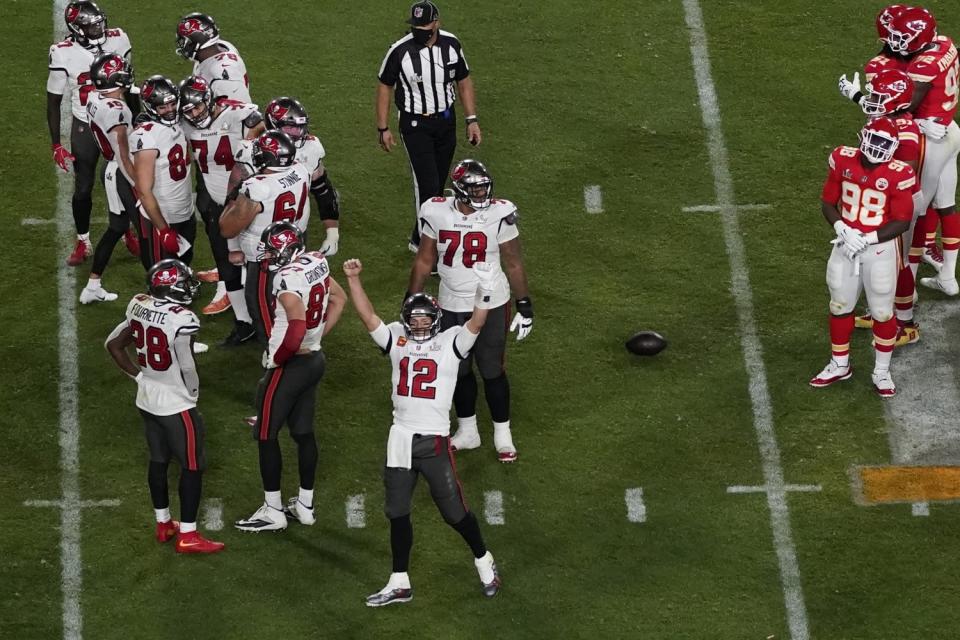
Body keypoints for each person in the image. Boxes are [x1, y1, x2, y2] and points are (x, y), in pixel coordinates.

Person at [343, 258, 501, 606]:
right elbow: (369, 318)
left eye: (424, 319)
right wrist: (354, 280)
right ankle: (400, 582)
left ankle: (483, 560)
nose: (417, 325)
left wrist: (485, 290)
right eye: (413, 319)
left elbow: (477, 322)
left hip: (433, 441)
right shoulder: (396, 338)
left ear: (435, 321)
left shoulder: (451, 342)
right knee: (397, 511)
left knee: (454, 513)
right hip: (399, 437)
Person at [407, 159, 532, 462]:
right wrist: (412, 299)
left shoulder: (500, 213)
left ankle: (503, 434)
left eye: (484, 188)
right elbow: (425, 260)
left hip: (491, 300)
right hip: (450, 301)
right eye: (474, 189)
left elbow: (513, 262)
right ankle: (468, 431)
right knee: (458, 369)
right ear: (460, 190)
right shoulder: (436, 211)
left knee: (491, 368)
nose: (481, 195)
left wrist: (524, 303)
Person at [105, 258, 224, 554]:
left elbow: (113, 344)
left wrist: (139, 377)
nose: (188, 288)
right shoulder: (182, 319)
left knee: (158, 459)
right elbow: (187, 365)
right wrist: (193, 394)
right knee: (193, 465)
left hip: (147, 396)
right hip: (175, 402)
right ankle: (188, 535)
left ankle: (163, 524)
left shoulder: (138, 304)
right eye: (183, 283)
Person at [234, 223, 346, 532]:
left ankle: (273, 511)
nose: (268, 255)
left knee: (266, 435)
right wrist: (316, 336)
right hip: (314, 359)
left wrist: (279, 358)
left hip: (291, 364)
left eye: (272, 249)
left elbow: (295, 328)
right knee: (302, 432)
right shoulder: (316, 261)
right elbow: (339, 299)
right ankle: (305, 506)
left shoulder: (286, 276)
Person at [809, 117, 916, 397]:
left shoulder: (899, 173)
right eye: (875, 140)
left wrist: (867, 238)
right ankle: (839, 364)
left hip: (879, 248)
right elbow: (828, 202)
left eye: (885, 143)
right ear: (862, 137)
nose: (878, 147)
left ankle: (881, 371)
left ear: (894, 147)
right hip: (845, 243)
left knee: (881, 310)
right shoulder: (842, 159)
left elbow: (902, 221)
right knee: (839, 304)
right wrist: (842, 227)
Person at [838, 4, 945, 274]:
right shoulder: (896, 115)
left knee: (898, 260)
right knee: (936, 204)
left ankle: (902, 311)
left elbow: (905, 174)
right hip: (924, 146)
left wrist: (876, 182)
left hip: (899, 192)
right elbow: (887, 106)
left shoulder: (900, 127)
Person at [376, 1, 482, 252]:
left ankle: (418, 238)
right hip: (415, 124)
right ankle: (428, 248)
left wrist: (471, 119)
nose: (420, 30)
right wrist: (383, 127)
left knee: (439, 181)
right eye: (416, 25)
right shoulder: (399, 51)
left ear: (437, 22)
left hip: (446, 121)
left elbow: (463, 80)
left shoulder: (451, 44)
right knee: (428, 186)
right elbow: (384, 85)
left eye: (425, 25)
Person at [47, 0, 136, 266]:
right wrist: (56, 144)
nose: (100, 28)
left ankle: (125, 229)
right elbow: (53, 101)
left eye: (99, 22)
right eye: (92, 25)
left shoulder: (119, 39)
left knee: (126, 178)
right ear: (77, 28)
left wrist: (137, 119)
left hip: (117, 120)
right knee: (83, 186)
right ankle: (83, 240)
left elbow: (129, 83)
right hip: (85, 122)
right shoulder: (62, 53)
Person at [179, 75, 263, 343]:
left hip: (245, 202)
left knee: (257, 260)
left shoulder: (235, 113)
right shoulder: (184, 124)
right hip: (217, 203)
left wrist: (249, 145)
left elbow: (259, 121)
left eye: (197, 107)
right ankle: (243, 322)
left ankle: (265, 313)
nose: (193, 114)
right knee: (226, 262)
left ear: (209, 101)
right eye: (188, 110)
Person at [228, 97, 341, 256]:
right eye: (290, 128)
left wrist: (332, 233)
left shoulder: (310, 148)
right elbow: (233, 205)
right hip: (258, 238)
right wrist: (234, 247)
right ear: (273, 126)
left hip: (295, 233)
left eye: (300, 127)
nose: (298, 133)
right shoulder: (251, 152)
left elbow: (322, 189)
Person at [79, 53, 138, 304]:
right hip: (121, 170)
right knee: (146, 230)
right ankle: (162, 289)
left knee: (117, 228)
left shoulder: (94, 97)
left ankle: (92, 286)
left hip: (111, 167)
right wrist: (139, 186)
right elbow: (124, 156)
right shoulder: (117, 111)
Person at [131, 76, 195, 270]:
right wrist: (163, 229)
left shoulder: (181, 121)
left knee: (183, 266)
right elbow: (143, 190)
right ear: (151, 108)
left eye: (173, 104)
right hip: (162, 216)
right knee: (162, 276)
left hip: (185, 210)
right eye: (163, 107)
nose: (170, 111)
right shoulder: (146, 136)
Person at [175, 13, 250, 103]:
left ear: (197, 41)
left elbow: (239, 111)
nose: (182, 45)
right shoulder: (222, 47)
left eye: (184, 41)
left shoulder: (222, 76)